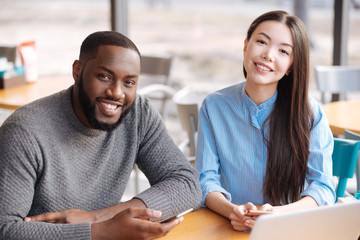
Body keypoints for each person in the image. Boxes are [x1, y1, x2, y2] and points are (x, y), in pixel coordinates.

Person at [0, 31, 201, 239]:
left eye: (129, 82)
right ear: (77, 71)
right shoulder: (23, 131)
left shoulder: (138, 113)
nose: (116, 92)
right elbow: (4, 229)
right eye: (104, 76)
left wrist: (100, 218)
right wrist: (99, 232)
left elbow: (187, 183)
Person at [195, 10, 336, 232]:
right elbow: (205, 180)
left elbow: (323, 187)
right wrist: (232, 210)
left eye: (283, 51)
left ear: (291, 65)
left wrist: (275, 215)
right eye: (261, 41)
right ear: (245, 46)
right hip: (229, 227)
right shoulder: (213, 107)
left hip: (290, 228)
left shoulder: (310, 113)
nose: (268, 55)